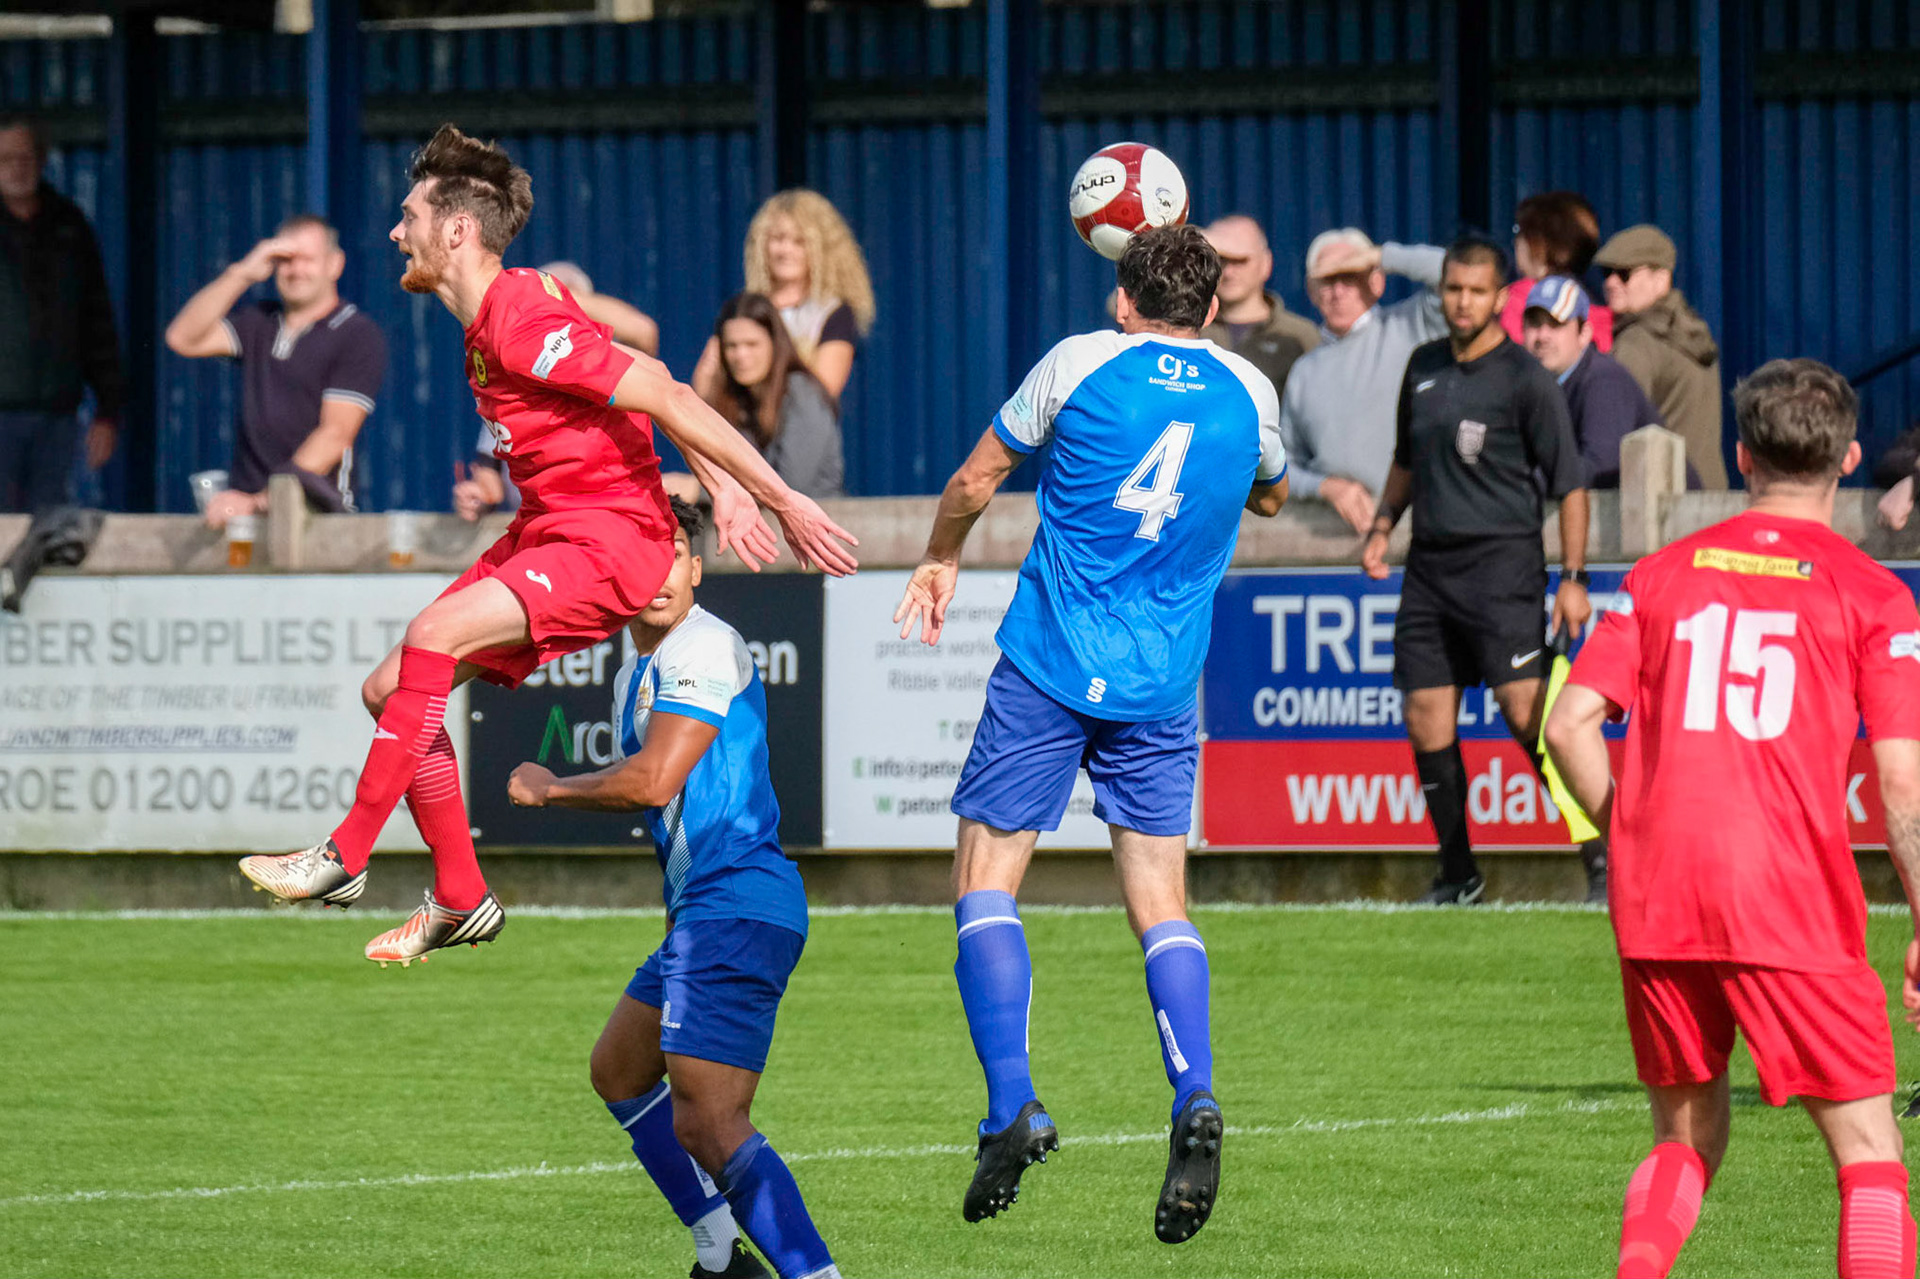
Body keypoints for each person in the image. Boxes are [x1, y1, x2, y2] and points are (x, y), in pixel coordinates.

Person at [236, 125, 857, 968]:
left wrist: (776, 495)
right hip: (550, 527)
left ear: (455, 230)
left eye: (408, 214)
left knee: (428, 641)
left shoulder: (519, 316)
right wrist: (716, 482)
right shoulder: (514, 305)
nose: (395, 231)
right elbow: (643, 378)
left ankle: (345, 852)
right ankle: (460, 894)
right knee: (389, 690)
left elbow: (666, 390)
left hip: (609, 539)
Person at [893, 224, 1288, 1243]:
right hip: (1161, 681)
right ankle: (1192, 1090)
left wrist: (941, 557)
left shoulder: (1078, 361)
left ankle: (1012, 1101)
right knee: (1161, 903)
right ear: (1212, 306)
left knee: (985, 881)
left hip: (1051, 660)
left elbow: (979, 478)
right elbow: (1274, 489)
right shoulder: (1249, 390)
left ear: (1124, 298)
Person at [1544, 358, 1920, 1279]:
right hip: (1787, 891)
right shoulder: (1873, 593)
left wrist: (1628, 830)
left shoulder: (1662, 575)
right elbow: (1903, 783)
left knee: (1686, 1135)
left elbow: (1567, 723)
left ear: (1742, 454)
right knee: (1869, 1148)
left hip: (1662, 892)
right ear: (1851, 460)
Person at [507, 497, 838, 1279]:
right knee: (618, 1068)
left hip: (737, 901)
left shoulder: (703, 644)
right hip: (705, 912)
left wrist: (552, 789)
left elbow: (654, 782)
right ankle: (720, 1251)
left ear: (695, 568)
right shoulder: (636, 672)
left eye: (673, 553)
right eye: (640, 553)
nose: (658, 571)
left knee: (713, 1122)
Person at [1361, 235, 1594, 904]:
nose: (1461, 301)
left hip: (1504, 567)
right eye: (1452, 288)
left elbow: (1570, 484)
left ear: (1499, 296)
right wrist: (1382, 527)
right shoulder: (1422, 364)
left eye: (1474, 290)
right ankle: (1457, 872)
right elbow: (1406, 459)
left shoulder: (1526, 377)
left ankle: (1601, 850)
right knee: (1425, 714)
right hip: (1430, 569)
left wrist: (1573, 578)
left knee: (1528, 714)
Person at [164, 214, 387, 522]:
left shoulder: (356, 334)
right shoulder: (259, 322)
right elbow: (182, 338)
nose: (296, 271)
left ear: (335, 264)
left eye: (307, 260)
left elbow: (334, 434)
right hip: (244, 514)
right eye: (285, 260)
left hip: (318, 515)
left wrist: (261, 501)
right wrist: (242, 273)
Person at [452, 260, 659, 519]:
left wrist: (549, 295)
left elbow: (643, 332)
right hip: (540, 526)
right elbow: (489, 476)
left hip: (605, 517)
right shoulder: (510, 385)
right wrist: (477, 497)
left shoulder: (610, 374)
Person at [1277, 228, 1447, 533]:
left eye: (1349, 276)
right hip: (1334, 537)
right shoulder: (1304, 370)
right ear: (1311, 290)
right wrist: (1325, 486)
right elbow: (1282, 464)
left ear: (1376, 281)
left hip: (1419, 526)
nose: (1338, 291)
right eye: (1327, 280)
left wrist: (1379, 256)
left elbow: (1452, 270)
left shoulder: (1409, 326)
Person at [0, 114, 124, 514]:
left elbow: (96, 322)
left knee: (46, 531)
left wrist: (107, 410)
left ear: (41, 159)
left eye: (24, 156)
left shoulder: (69, 225)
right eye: (5, 158)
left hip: (57, 416)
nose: (16, 167)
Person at [693, 190, 873, 406]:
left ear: (821, 249)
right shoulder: (745, 308)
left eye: (799, 241)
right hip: (738, 431)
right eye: (778, 239)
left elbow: (823, 394)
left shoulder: (834, 313)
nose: (785, 250)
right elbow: (705, 384)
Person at [1595, 224, 1728, 490]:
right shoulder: (1693, 331)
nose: (1610, 283)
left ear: (1661, 278)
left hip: (1663, 499)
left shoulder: (1637, 342)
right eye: (1606, 273)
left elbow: (1613, 430)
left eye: (1624, 274)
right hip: (1711, 494)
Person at [1521, 276, 1664, 488]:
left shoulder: (1604, 379)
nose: (1542, 335)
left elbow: (1601, 465)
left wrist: (1522, 484)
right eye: (1534, 324)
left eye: (1556, 324)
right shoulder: (1530, 384)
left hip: (1674, 517)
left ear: (1584, 333)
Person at [711, 292, 844, 498]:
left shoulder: (802, 393)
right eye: (732, 346)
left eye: (752, 344)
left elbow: (790, 487)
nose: (741, 356)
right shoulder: (736, 399)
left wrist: (700, 490)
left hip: (820, 523)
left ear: (775, 344)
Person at [1199, 214, 1318, 399]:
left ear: (1266, 264)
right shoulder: (1190, 330)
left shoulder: (1300, 335)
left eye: (1240, 260)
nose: (1229, 272)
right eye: (1221, 259)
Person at [1501, 190, 1613, 351]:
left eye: (1519, 230)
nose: (1516, 241)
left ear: (1538, 242)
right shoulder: (1605, 314)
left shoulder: (1519, 301)